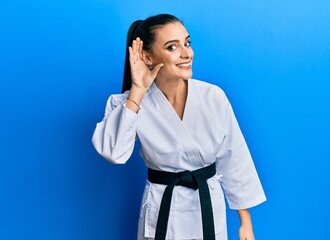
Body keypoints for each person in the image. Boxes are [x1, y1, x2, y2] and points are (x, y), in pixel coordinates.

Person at [92, 14, 266, 240]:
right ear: (147, 56)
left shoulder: (213, 97)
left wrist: (245, 222)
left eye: (187, 43)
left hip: (206, 209)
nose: (187, 53)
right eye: (172, 47)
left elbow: (235, 159)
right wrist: (137, 91)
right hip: (163, 209)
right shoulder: (127, 104)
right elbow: (113, 153)